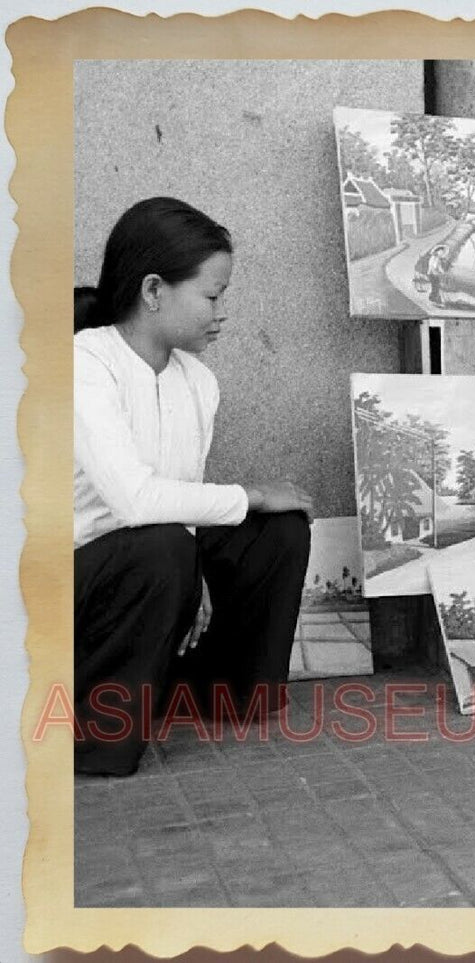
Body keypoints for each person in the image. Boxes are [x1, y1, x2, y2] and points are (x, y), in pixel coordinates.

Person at [74, 196, 316, 776]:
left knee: (275, 532)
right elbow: (133, 499)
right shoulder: (84, 364)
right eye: (212, 296)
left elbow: (183, 496)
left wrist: (199, 577)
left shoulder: (197, 381)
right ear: (153, 290)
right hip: (72, 584)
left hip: (155, 563)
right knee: (168, 544)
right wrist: (249, 494)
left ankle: (218, 693)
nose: (221, 313)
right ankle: (94, 731)